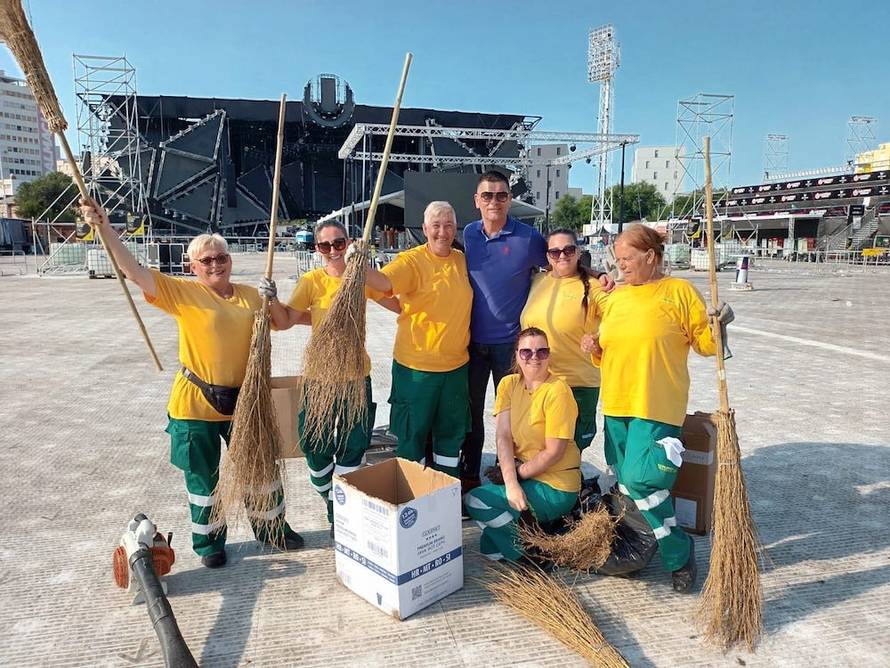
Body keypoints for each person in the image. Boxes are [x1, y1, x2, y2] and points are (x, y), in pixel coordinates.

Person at [79, 198, 304, 569]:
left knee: (260, 468)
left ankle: (273, 530)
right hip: (196, 404)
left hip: (246, 403)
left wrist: (273, 297)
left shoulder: (250, 295)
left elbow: (282, 323)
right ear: (193, 266)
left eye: (221, 258)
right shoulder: (182, 293)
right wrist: (103, 227)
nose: (215, 264)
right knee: (203, 478)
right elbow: (134, 271)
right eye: (206, 260)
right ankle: (209, 544)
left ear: (230, 261)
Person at [585, 223, 734, 592]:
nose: (621, 267)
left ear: (651, 256)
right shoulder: (615, 297)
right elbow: (611, 353)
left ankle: (678, 551)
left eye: (627, 259)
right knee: (624, 480)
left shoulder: (679, 292)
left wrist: (716, 329)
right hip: (618, 404)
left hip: (656, 406)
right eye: (617, 260)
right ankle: (634, 545)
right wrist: (595, 349)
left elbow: (704, 344)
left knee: (642, 480)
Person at [461, 170, 613, 494]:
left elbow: (563, 258)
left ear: (509, 199)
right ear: (476, 201)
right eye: (487, 195)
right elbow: (557, 262)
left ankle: (523, 476)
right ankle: (470, 477)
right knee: (472, 415)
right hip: (473, 344)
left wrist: (596, 274)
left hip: (512, 348)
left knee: (520, 416)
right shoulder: (470, 234)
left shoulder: (528, 238)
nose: (494, 201)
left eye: (502, 195)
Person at [264, 220, 400, 536]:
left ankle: (341, 510)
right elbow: (284, 322)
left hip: (355, 375)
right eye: (325, 246)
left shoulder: (359, 279)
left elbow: (390, 293)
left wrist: (361, 262)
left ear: (347, 242)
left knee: (354, 444)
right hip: (319, 376)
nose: (333, 251)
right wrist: (271, 299)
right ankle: (333, 500)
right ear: (317, 250)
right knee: (314, 443)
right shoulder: (312, 281)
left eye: (339, 243)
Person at [364, 201, 473, 477]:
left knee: (450, 438)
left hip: (455, 370)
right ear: (424, 229)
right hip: (415, 372)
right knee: (410, 438)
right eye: (435, 225)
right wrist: (358, 266)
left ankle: (445, 491)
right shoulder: (411, 261)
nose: (442, 232)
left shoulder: (461, 259)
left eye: (448, 225)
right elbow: (381, 285)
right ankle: (410, 502)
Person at [464, 327, 581, 563]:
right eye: (526, 352)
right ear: (516, 355)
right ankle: (525, 533)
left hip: (556, 484)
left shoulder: (558, 391)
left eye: (542, 351)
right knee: (491, 549)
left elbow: (554, 452)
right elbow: (503, 437)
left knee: (476, 500)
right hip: (527, 476)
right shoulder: (508, 384)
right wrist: (511, 482)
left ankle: (530, 553)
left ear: (549, 355)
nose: (534, 357)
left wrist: (516, 477)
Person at [520, 228, 608, 452]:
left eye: (569, 249)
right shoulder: (538, 280)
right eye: (555, 251)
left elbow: (620, 319)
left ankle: (572, 485)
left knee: (570, 449)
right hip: (539, 381)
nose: (562, 256)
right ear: (547, 256)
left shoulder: (595, 287)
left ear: (578, 251)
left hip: (576, 383)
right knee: (540, 447)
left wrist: (599, 339)